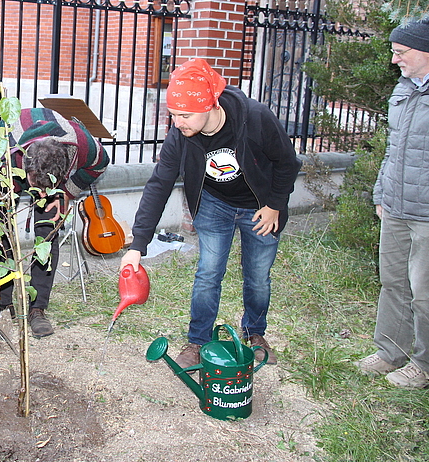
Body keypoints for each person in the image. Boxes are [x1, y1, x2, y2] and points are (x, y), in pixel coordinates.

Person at [119, 57, 301, 368]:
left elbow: (287, 163)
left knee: (257, 277)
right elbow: (160, 183)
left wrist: (274, 206)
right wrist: (138, 245)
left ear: (211, 105)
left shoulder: (255, 118)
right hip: (214, 205)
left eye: (185, 115)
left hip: (260, 207)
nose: (178, 123)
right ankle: (198, 341)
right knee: (208, 273)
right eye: (174, 115)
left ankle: (255, 333)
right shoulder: (181, 133)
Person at [355, 13, 429, 389]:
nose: (394, 60)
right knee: (393, 281)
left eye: (401, 52)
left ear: (427, 51)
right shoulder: (403, 88)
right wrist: (382, 193)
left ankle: (426, 365)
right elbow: (393, 149)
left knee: (425, 290)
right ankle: (390, 351)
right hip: (397, 205)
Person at [0, 107, 109, 338]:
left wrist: (66, 192)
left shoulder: (82, 145)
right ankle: (2, 305)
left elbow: (101, 163)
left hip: (54, 177)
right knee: (1, 233)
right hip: (13, 173)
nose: (41, 195)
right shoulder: (9, 151)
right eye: (39, 188)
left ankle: (37, 309)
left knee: (47, 234)